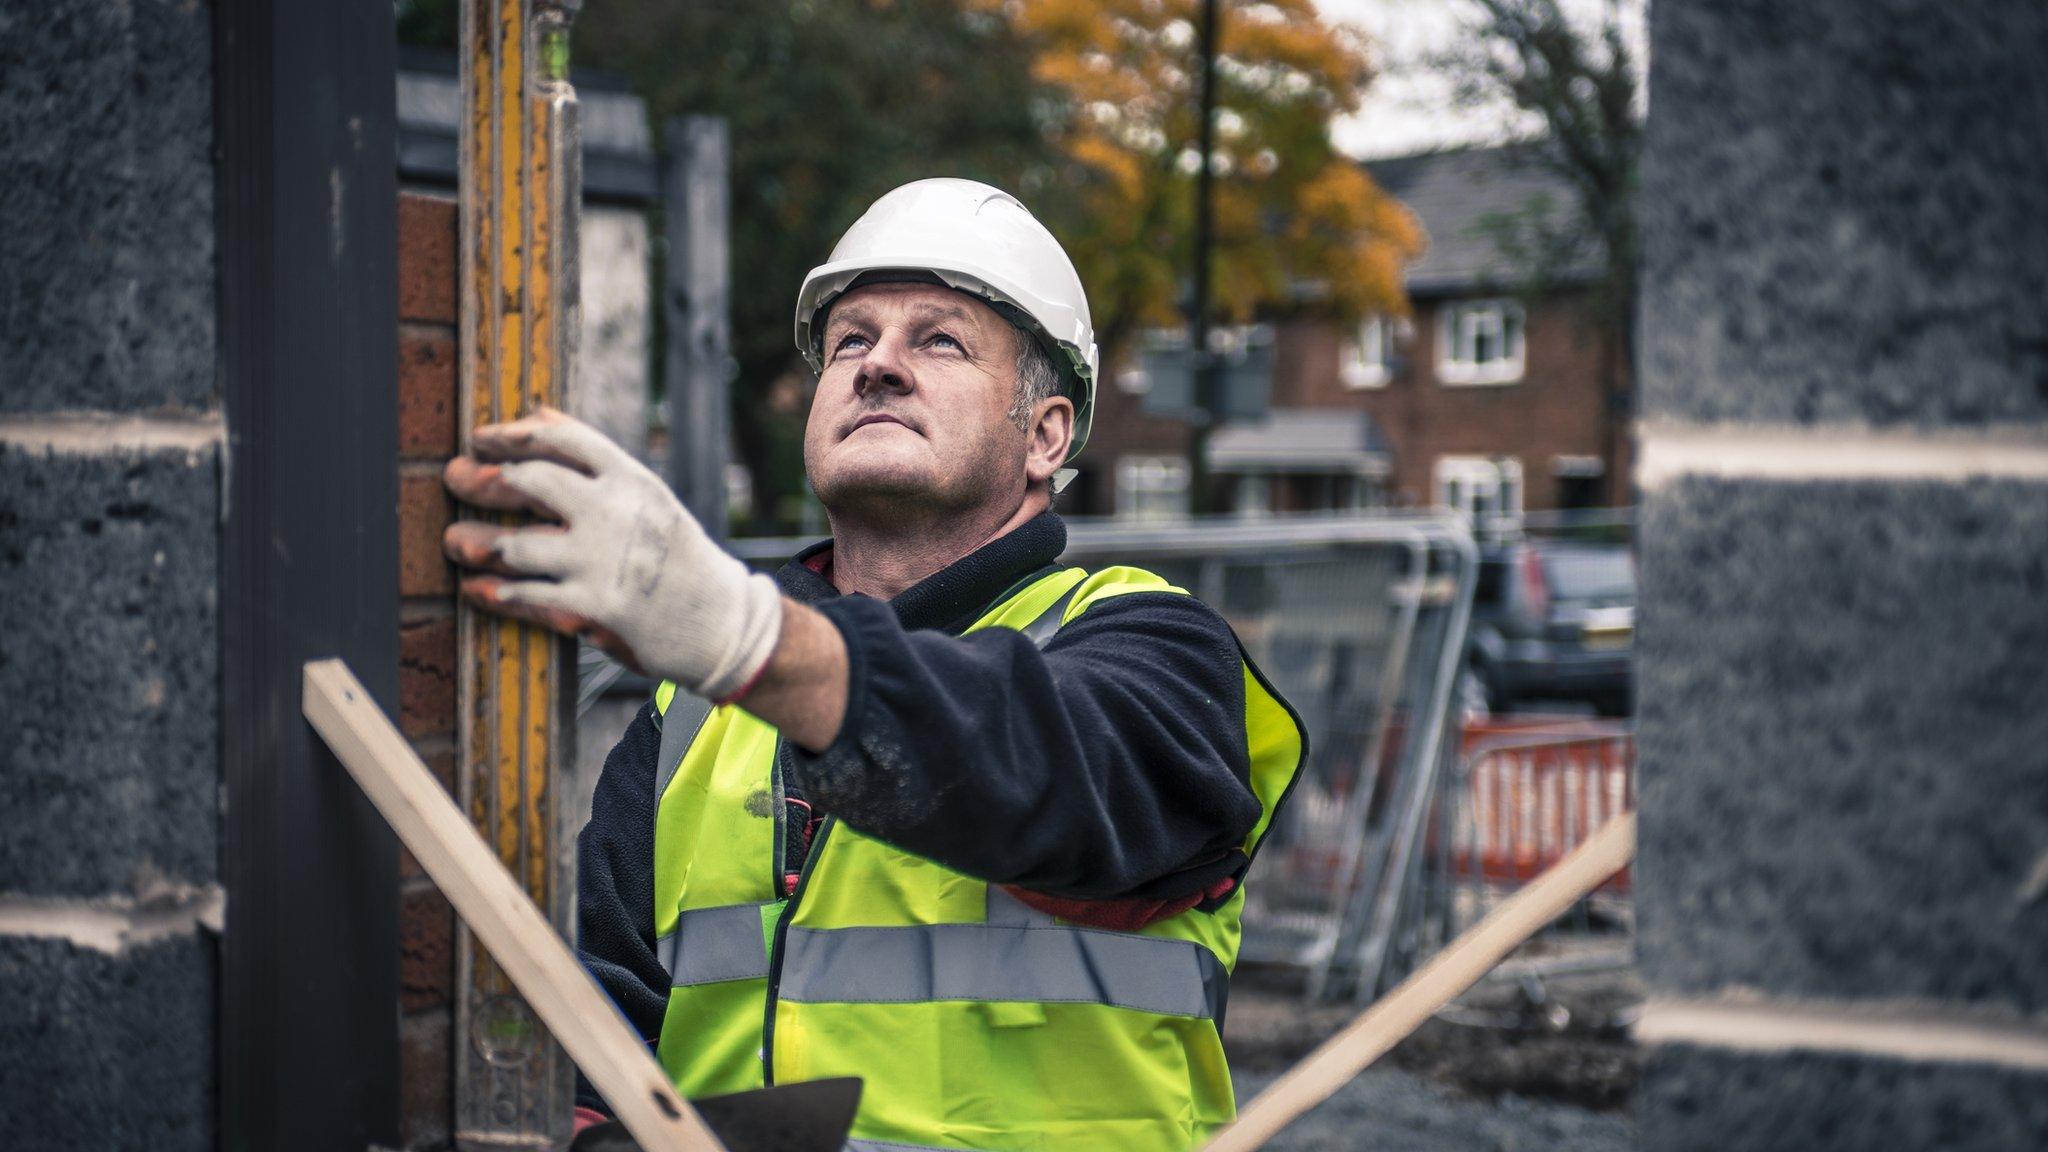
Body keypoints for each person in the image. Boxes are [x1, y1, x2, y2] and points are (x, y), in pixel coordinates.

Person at [442, 178, 1306, 1151]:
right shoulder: (694, 714)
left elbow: (1033, 771)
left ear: (1046, 434)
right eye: (850, 339)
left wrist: (748, 634)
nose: (878, 366)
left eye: (938, 340)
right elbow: (599, 1010)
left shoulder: (1150, 649)